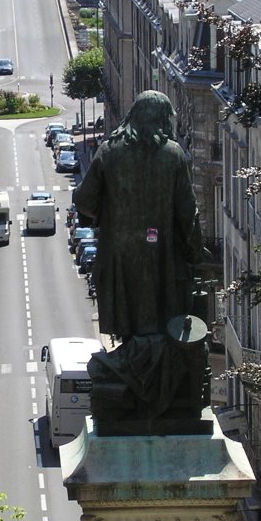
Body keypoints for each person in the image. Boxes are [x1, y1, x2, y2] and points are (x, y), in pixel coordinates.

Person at [72, 90, 204, 342]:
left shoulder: (109, 151)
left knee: (128, 328)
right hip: (160, 255)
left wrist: (108, 214)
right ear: (162, 119)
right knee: (160, 327)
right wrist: (194, 251)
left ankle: (131, 363)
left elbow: (84, 200)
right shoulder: (173, 153)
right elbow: (188, 212)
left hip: (118, 254)